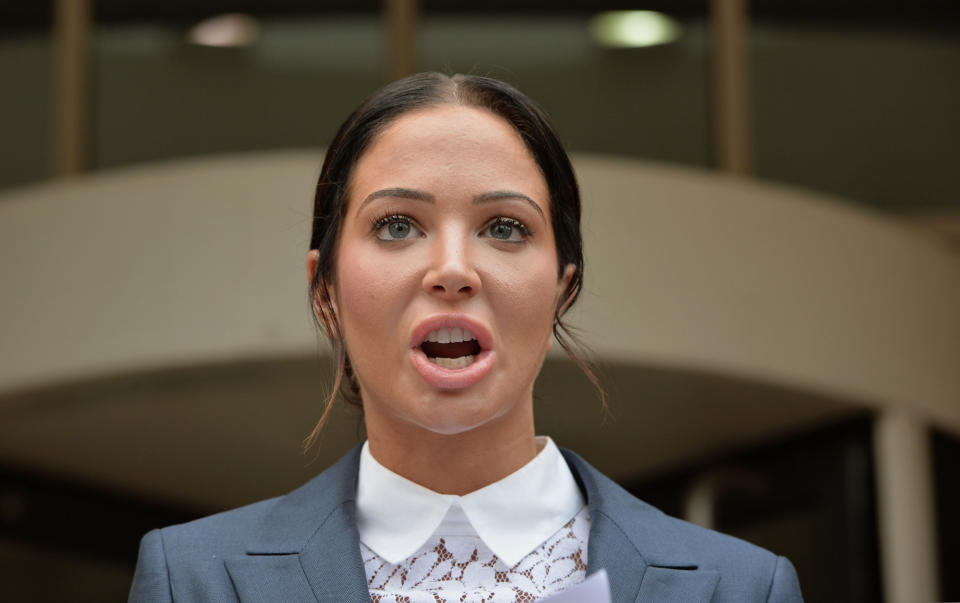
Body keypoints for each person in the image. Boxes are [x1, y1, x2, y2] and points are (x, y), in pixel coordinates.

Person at [129, 72, 804, 602]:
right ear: (324, 289)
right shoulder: (196, 580)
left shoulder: (737, 588)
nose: (452, 270)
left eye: (505, 227)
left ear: (563, 288)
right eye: (397, 225)